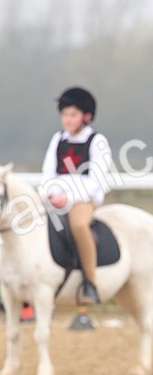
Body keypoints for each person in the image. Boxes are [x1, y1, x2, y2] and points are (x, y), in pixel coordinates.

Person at [41, 87, 112, 304]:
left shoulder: (97, 141)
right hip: (57, 196)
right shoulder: (57, 139)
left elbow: (96, 180)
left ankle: (90, 281)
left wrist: (69, 199)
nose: (67, 120)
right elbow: (48, 172)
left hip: (84, 199)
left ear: (86, 116)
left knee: (79, 225)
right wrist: (49, 194)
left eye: (72, 115)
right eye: (64, 115)